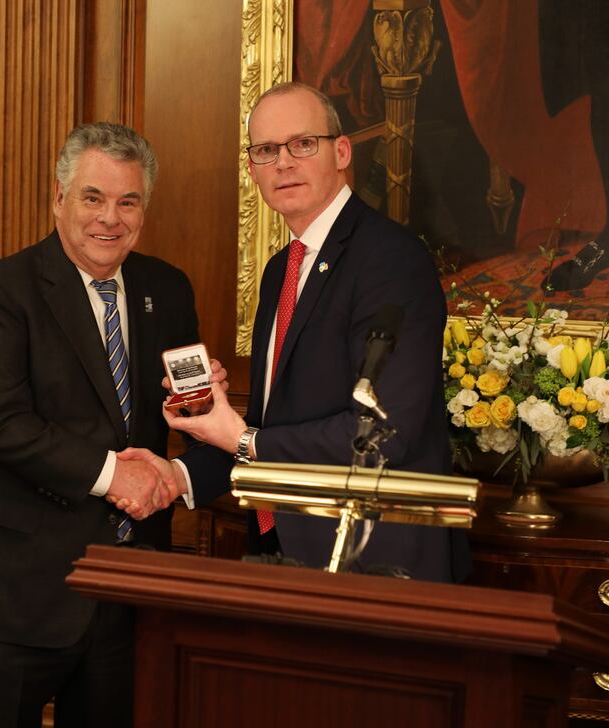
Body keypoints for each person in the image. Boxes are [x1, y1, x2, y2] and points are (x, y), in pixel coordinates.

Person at [0, 122, 223, 728]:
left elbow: (197, 418)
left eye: (128, 201)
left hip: (129, 590)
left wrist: (200, 421)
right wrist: (115, 472)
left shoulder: (166, 289)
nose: (109, 219)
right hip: (19, 586)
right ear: (58, 199)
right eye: (92, 198)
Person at [121, 82, 470, 582]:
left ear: (342, 152)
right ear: (252, 170)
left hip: (373, 561)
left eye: (302, 143)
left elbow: (379, 435)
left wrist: (241, 439)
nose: (283, 162)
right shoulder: (282, 269)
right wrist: (181, 474)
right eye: (265, 150)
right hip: (284, 547)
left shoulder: (391, 260)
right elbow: (272, 424)